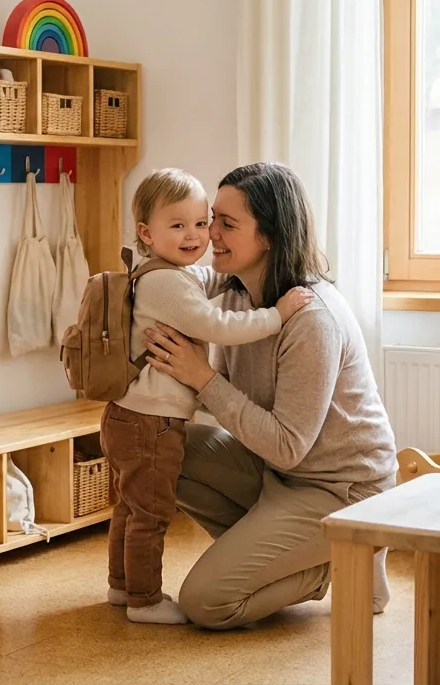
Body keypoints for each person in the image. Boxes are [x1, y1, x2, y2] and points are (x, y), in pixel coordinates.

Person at [142, 162, 397, 630]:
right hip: (279, 473)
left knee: (205, 603)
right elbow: (230, 395)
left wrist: (201, 377)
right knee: (158, 451)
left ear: (269, 237)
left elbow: (287, 443)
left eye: (226, 224)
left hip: (342, 490)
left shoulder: (311, 319)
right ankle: (276, 554)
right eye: (210, 217)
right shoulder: (239, 294)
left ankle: (334, 560)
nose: (208, 233)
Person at [102, 168, 315, 625]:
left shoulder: (160, 275)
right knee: (150, 513)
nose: (202, 235)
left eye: (206, 223)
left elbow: (205, 282)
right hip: (150, 421)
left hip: (131, 418)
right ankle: (143, 599)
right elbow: (217, 325)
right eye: (182, 225)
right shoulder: (170, 283)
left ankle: (121, 587)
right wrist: (276, 315)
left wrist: (230, 272)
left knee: (132, 504)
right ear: (146, 232)